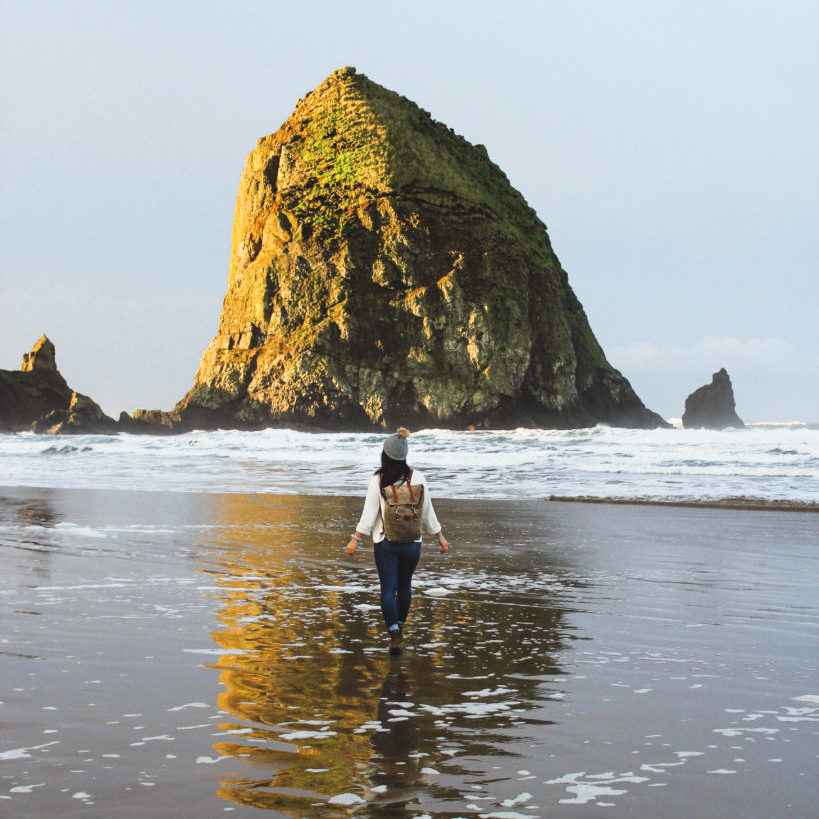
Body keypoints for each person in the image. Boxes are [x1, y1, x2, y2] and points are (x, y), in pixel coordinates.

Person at [346, 428, 449, 655]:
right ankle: (400, 626)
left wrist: (356, 539)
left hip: (386, 542)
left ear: (385, 454)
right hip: (413, 543)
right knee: (404, 587)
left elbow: (369, 513)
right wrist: (439, 536)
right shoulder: (418, 478)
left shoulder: (378, 479)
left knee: (387, 588)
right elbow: (427, 512)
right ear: (404, 455)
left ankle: (393, 633)